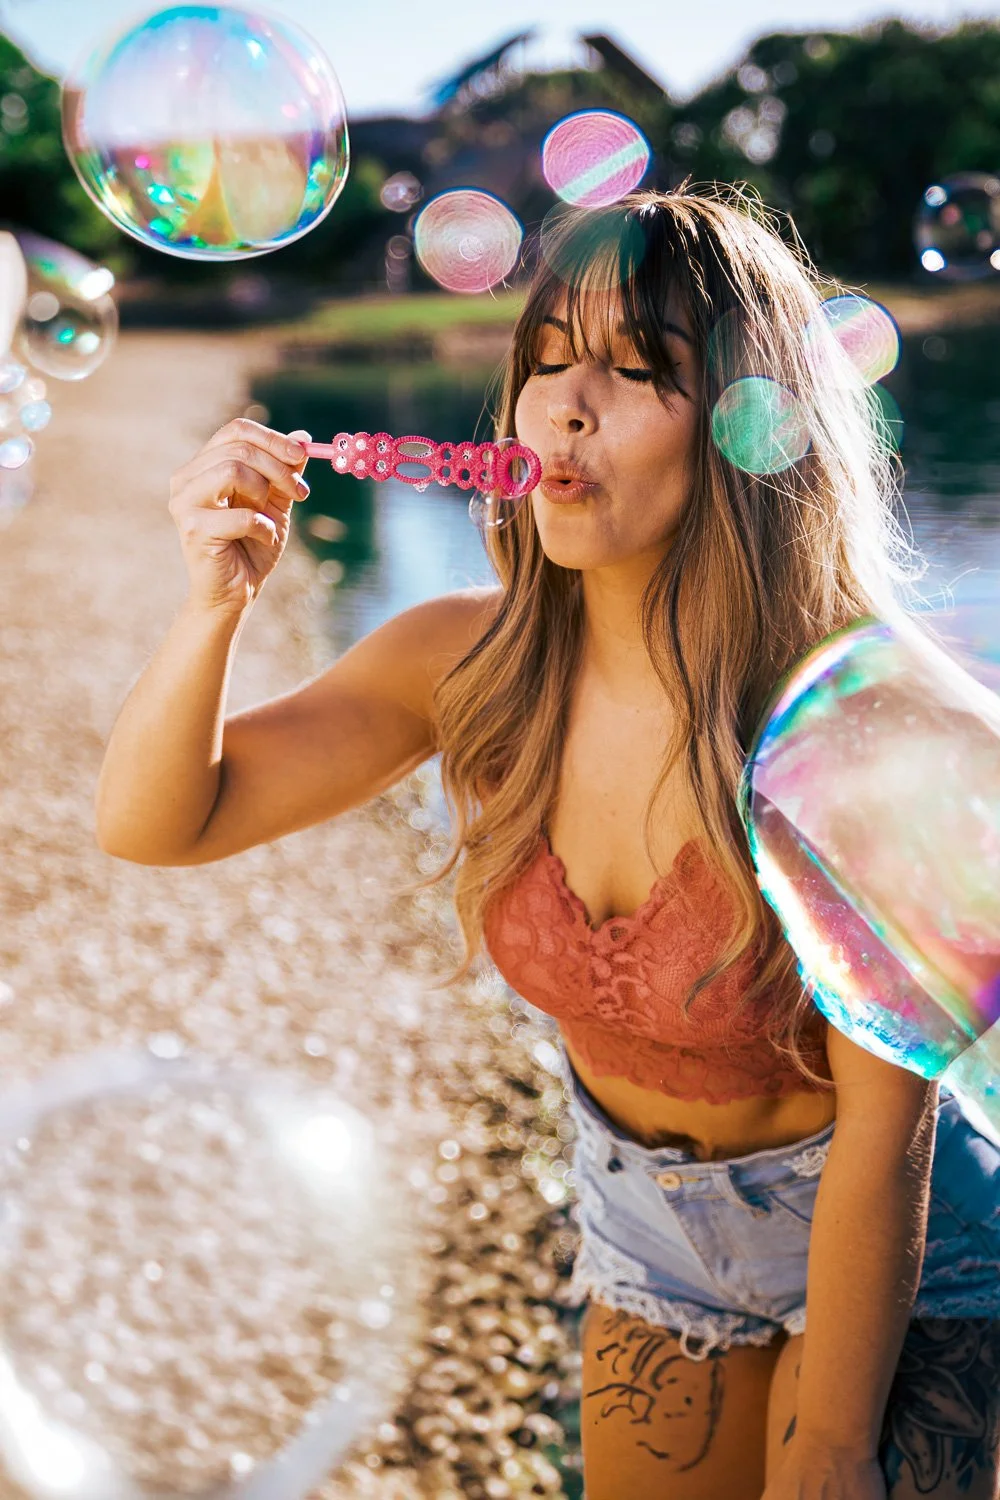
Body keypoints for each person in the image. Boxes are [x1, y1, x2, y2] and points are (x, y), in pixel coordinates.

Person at [96, 187, 999, 1500]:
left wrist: (836, 1443)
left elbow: (889, 1126)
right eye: (545, 361)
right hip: (647, 1235)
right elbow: (155, 823)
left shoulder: (845, 719)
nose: (566, 406)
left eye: (636, 371)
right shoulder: (468, 663)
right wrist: (213, 605)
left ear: (756, 430)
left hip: (891, 1244)